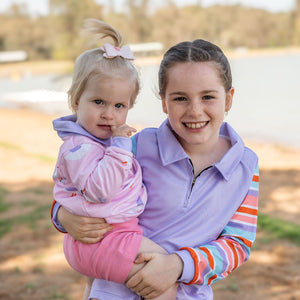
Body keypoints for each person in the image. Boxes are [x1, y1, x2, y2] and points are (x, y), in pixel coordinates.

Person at [51, 34, 259, 300]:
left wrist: (177, 265)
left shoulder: (245, 167)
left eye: (208, 96)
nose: (195, 111)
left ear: (228, 99)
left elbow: (237, 244)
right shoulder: (135, 146)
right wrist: (62, 217)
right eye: (180, 98)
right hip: (114, 291)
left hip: (184, 293)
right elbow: (77, 180)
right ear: (163, 101)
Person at [52, 19, 178, 300]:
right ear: (75, 100)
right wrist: (121, 146)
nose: (109, 114)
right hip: (104, 240)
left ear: (130, 106)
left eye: (119, 106)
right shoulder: (78, 148)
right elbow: (100, 190)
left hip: (108, 237)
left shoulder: (97, 142)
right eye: (98, 102)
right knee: (164, 277)